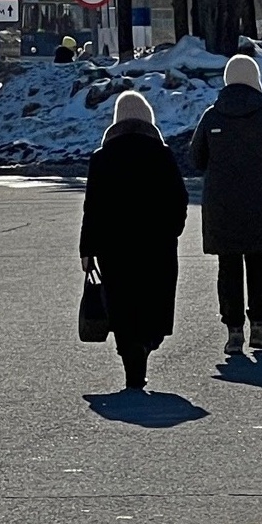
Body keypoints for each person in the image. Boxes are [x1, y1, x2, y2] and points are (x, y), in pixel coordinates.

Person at [190, 54, 262, 356]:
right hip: (260, 201)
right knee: (258, 262)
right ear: (255, 79)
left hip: (221, 204)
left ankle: (233, 330)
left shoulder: (212, 116)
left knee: (227, 265)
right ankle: (259, 327)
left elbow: (195, 159)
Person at [80, 91, 188, 389]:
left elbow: (93, 207)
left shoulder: (102, 158)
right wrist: (172, 229)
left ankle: (132, 364)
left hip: (114, 246)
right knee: (154, 296)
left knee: (121, 302)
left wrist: (87, 249)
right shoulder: (161, 154)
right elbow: (179, 198)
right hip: (157, 243)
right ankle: (146, 344)